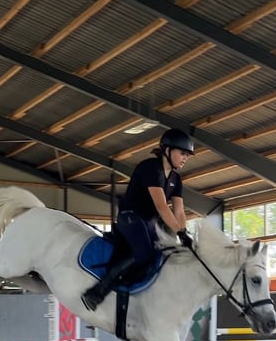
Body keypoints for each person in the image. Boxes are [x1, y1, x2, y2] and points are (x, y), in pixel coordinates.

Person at [81, 128, 195, 311]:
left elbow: (179, 211)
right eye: (182, 153)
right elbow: (161, 207)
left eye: (187, 155)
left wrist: (183, 234)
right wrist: (180, 232)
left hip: (150, 223)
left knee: (164, 254)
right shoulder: (150, 168)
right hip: (130, 217)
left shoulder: (176, 179)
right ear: (167, 150)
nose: (185, 158)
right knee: (143, 252)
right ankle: (97, 291)